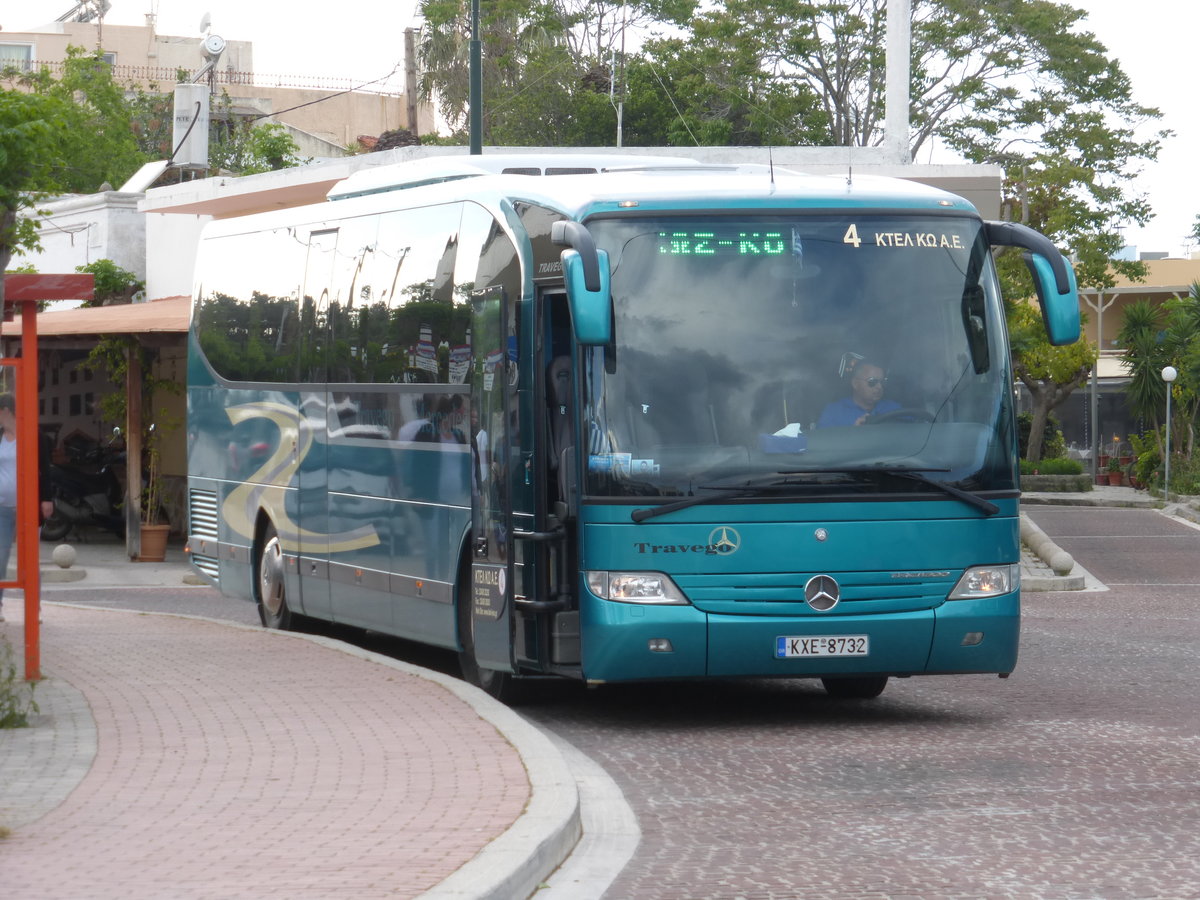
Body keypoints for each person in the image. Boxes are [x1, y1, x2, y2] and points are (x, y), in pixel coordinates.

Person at [0, 393, 54, 622]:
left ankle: (34, 608)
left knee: (31, 560)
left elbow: (46, 469)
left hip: (28, 507)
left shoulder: (34, 435)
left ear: (6, 410)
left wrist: (47, 498)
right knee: (0, 557)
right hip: (2, 507)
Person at [816, 361, 901, 428]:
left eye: (882, 382)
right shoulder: (834, 412)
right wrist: (854, 433)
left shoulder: (894, 408)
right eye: (872, 382)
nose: (879, 387)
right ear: (855, 384)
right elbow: (824, 445)